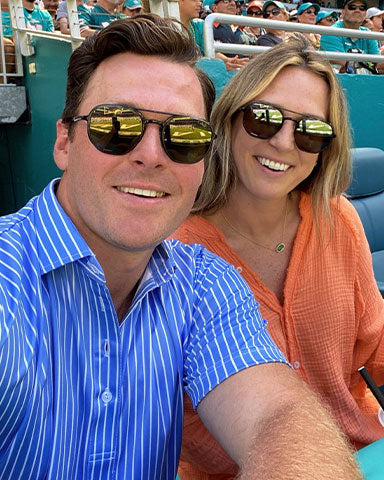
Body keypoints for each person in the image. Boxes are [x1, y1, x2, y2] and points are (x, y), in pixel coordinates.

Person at [0, 14, 363, 480]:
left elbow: (278, 416)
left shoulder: (202, 283)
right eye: (117, 124)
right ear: (65, 140)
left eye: (184, 135)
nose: (151, 154)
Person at [172, 35, 384, 480]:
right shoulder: (173, 248)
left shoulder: (337, 218)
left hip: (360, 455)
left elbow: (376, 343)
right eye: (264, 119)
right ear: (229, 120)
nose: (285, 143)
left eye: (310, 131)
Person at [320, 0, 383, 72]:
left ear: (365, 14)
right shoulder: (331, 32)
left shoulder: (367, 33)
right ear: (343, 12)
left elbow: (378, 64)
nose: (357, 10)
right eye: (352, 7)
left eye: (362, 8)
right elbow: (346, 66)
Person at [210, 0, 251, 69]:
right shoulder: (206, 28)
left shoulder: (243, 31)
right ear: (214, 7)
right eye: (226, 0)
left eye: (235, 2)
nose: (232, 3)